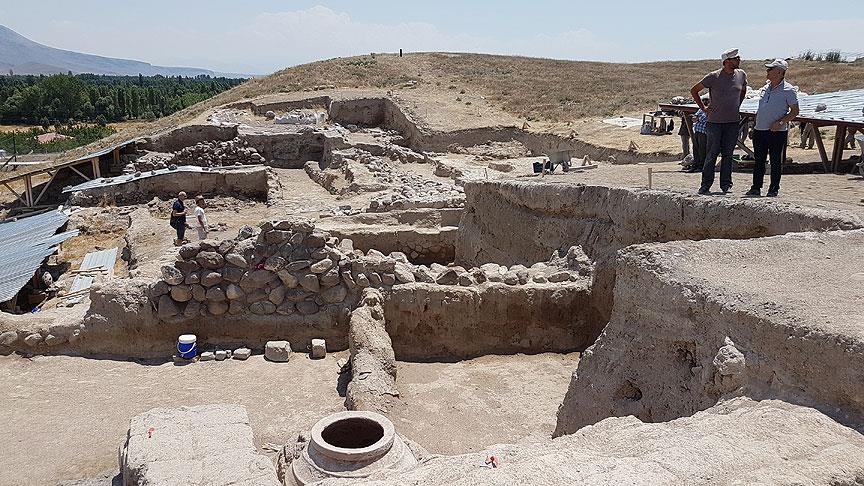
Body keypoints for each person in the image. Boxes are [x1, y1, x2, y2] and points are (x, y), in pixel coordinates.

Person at [690, 48, 748, 194]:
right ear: (727, 62)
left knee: (728, 154)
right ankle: (706, 184)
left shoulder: (741, 75)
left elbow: (743, 90)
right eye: (736, 58)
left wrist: (737, 105)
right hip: (715, 122)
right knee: (712, 153)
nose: (739, 60)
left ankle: (726, 184)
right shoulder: (713, 77)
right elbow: (694, 90)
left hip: (732, 122)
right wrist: (703, 108)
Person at [745, 59, 800, 198]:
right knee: (759, 161)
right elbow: (760, 109)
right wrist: (754, 126)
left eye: (770, 69)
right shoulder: (765, 88)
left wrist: (781, 122)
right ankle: (756, 187)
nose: (767, 72)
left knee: (775, 161)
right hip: (760, 130)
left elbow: (794, 111)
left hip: (776, 132)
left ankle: (773, 189)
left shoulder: (789, 90)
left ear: (780, 72)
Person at [688, 97, 710, 173]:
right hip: (697, 131)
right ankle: (695, 165)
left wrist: (697, 118)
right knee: (695, 149)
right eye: (703, 100)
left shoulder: (709, 110)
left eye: (706, 101)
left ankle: (701, 166)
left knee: (702, 150)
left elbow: (704, 119)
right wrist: (695, 118)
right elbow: (695, 118)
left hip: (703, 132)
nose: (704, 102)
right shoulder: (701, 109)